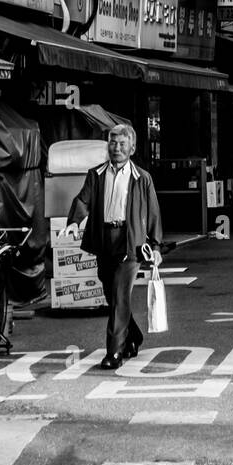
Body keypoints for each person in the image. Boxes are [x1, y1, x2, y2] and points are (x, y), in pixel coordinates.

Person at [61, 124, 162, 370]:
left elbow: (153, 213)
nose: (116, 148)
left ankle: (114, 353)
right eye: (113, 143)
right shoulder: (96, 173)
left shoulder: (142, 178)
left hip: (130, 242)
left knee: (119, 296)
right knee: (112, 295)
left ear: (132, 148)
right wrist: (74, 222)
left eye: (122, 144)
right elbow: (83, 200)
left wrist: (156, 245)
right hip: (104, 238)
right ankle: (133, 337)